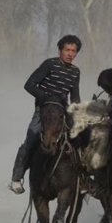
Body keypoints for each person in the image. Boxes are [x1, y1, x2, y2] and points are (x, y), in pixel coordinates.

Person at [9, 35, 82, 194]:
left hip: (63, 111)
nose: (70, 54)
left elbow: (75, 96)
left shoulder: (75, 72)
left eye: (73, 51)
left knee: (79, 138)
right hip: (44, 110)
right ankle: (17, 177)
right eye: (67, 50)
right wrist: (46, 97)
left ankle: (82, 179)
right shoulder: (50, 64)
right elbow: (29, 85)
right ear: (60, 50)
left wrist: (78, 111)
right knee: (32, 138)